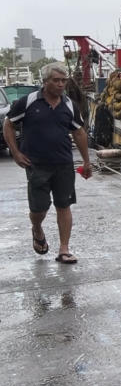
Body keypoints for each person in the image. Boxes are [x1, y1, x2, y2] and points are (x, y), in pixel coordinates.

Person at [3, 62, 91, 264]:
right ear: (45, 82)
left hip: (63, 165)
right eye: (56, 80)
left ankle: (64, 249)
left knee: (64, 205)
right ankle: (37, 228)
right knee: (39, 210)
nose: (61, 84)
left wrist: (87, 161)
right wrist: (16, 153)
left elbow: (79, 132)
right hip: (36, 166)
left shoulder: (69, 105)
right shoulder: (28, 102)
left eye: (63, 80)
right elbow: (8, 124)